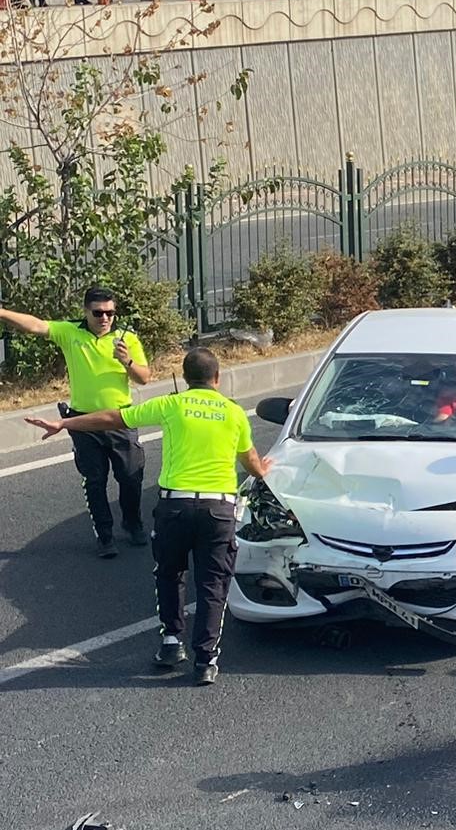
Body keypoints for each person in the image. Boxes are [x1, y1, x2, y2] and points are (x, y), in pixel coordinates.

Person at [27, 348, 268, 685]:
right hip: (218, 509)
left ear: (185, 379)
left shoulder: (171, 405)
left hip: (174, 506)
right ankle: (205, 661)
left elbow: (114, 418)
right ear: (217, 378)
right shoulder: (234, 412)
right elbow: (251, 460)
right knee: (212, 584)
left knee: (169, 573)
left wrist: (65, 422)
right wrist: (263, 470)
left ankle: (171, 643)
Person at [0, 287, 151, 557]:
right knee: (94, 480)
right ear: (86, 312)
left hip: (121, 419)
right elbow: (35, 326)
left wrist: (127, 361)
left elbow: (144, 378)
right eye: (98, 313)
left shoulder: (126, 339)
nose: (105, 318)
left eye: (110, 313)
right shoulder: (71, 332)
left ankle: (132, 522)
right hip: (82, 421)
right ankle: (105, 537)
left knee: (130, 477)